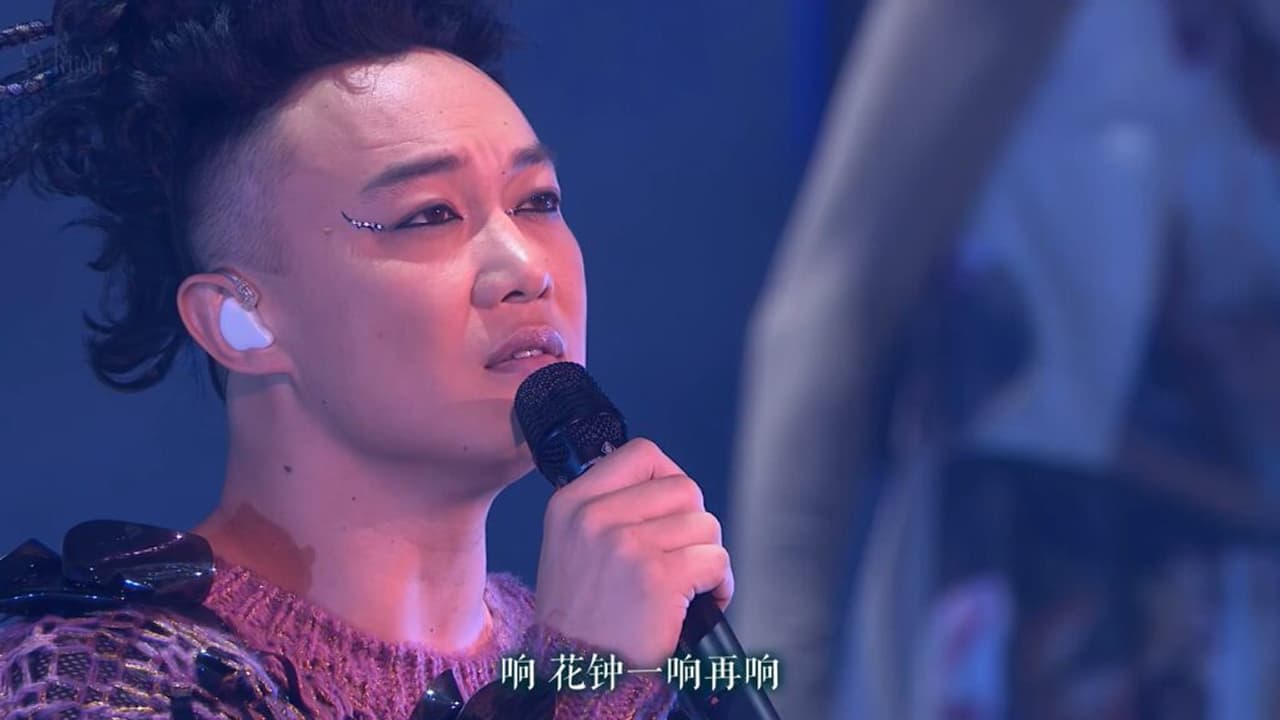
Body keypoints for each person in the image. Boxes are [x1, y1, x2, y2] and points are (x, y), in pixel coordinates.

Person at [0, 1, 733, 718]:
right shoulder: (92, 679)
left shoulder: (609, 643)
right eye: (429, 215)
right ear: (237, 320)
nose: (525, 267)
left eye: (535, 202)